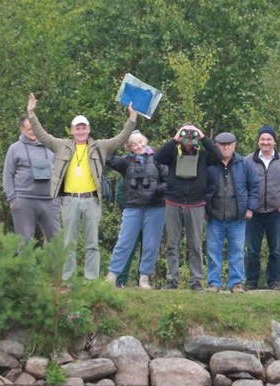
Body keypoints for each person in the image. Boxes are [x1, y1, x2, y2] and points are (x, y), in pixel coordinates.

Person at [26, 93, 137, 282]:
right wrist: (31, 113)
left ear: (89, 129)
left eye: (84, 127)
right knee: (69, 243)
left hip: (92, 200)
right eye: (77, 128)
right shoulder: (61, 145)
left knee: (92, 243)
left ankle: (91, 280)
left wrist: (132, 118)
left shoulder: (99, 146)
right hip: (69, 200)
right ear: (71, 130)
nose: (80, 131)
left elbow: (120, 139)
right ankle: (68, 280)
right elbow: (42, 135)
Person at [154, 124, 223, 290]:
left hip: (196, 203)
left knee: (196, 245)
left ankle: (196, 280)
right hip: (173, 201)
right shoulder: (172, 153)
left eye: (192, 135)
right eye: (186, 134)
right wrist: (175, 138)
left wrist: (203, 137)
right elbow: (158, 157)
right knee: (172, 244)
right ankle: (172, 279)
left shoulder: (204, 155)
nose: (188, 138)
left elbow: (218, 156)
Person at [105, 131, 167, 289]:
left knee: (150, 244)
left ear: (145, 141)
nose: (138, 146)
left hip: (156, 207)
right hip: (132, 206)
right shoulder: (126, 161)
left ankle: (144, 278)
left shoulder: (158, 158)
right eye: (134, 144)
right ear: (129, 148)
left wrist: (156, 189)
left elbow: (169, 180)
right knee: (124, 242)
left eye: (140, 142)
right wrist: (118, 140)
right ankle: (112, 276)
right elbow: (107, 157)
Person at [244, 125, 280, 291]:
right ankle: (251, 282)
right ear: (258, 141)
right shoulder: (248, 160)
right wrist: (247, 207)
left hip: (276, 213)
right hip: (254, 213)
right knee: (252, 250)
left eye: (268, 139)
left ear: (274, 141)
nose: (265, 142)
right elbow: (241, 185)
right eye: (262, 139)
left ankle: (274, 282)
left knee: (275, 249)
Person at [204, 132, 259, 293]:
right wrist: (204, 209)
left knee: (238, 252)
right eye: (222, 144)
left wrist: (250, 208)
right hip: (215, 215)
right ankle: (214, 283)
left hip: (238, 216)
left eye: (229, 144)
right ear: (216, 146)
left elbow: (254, 187)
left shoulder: (244, 164)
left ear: (234, 145)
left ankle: (236, 284)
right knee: (213, 251)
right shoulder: (209, 163)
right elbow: (202, 187)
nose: (226, 147)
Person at [3, 115, 60, 242]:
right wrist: (12, 199)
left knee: (57, 242)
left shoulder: (51, 147)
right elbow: (7, 175)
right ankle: (25, 263)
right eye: (29, 128)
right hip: (24, 200)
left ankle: (55, 263)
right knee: (24, 243)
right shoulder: (14, 149)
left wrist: (58, 197)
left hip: (49, 201)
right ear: (22, 129)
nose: (33, 131)